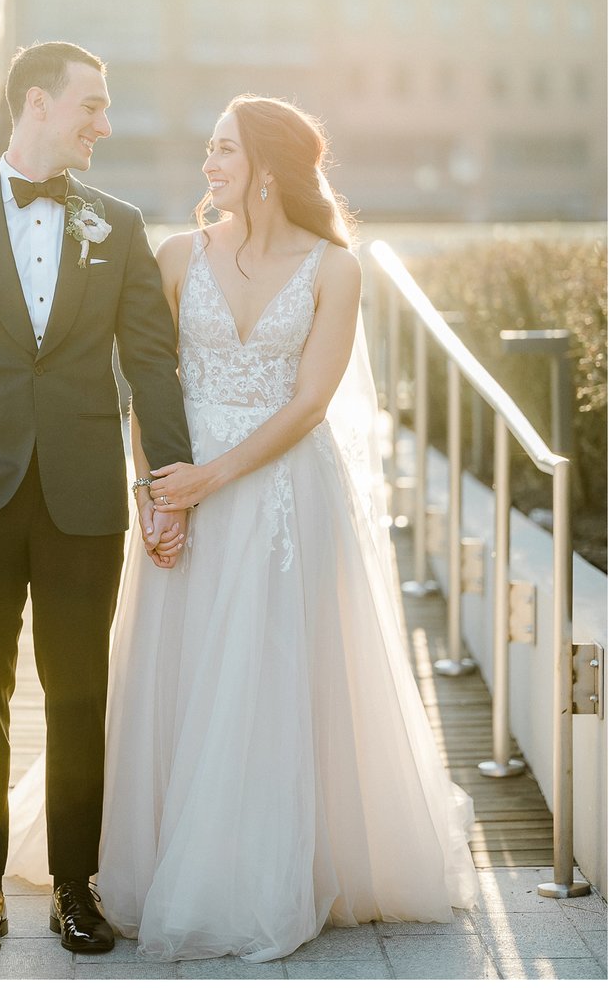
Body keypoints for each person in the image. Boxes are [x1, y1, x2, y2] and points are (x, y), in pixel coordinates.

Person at [94, 93, 480, 960]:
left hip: (280, 493)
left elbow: (311, 401)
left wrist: (212, 480)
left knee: (270, 675)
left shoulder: (336, 270)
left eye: (223, 149)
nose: (208, 164)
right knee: (181, 668)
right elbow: (146, 382)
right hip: (178, 482)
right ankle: (164, 856)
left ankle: (255, 871)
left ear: (267, 167)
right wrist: (153, 491)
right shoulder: (175, 255)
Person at [0, 41, 192, 958]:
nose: (104, 123)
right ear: (36, 104)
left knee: (78, 695)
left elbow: (150, 362)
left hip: (82, 499)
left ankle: (74, 888)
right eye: (91, 105)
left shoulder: (120, 225)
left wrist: (167, 480)